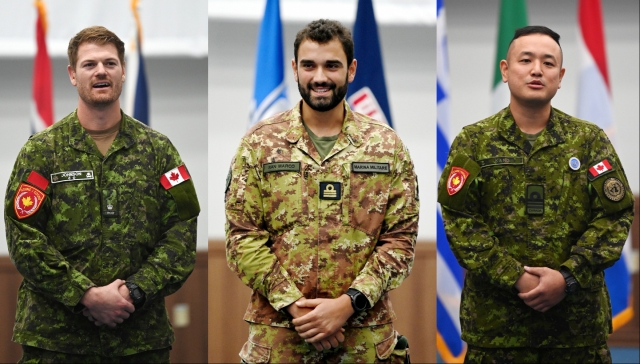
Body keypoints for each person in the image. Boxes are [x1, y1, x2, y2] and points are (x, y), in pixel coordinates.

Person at [225, 19, 418, 363]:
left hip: (363, 339)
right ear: (295, 69)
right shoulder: (259, 144)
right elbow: (242, 238)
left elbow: (401, 241)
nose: (320, 77)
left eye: (332, 65)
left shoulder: (386, 147)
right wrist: (298, 308)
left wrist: (348, 304)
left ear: (352, 69)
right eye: (309, 65)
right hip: (282, 339)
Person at [438, 25, 634, 363]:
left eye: (547, 63)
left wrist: (568, 277)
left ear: (560, 76)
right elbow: (460, 221)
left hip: (575, 333)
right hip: (497, 332)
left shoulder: (588, 140)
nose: (536, 70)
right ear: (505, 70)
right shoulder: (474, 142)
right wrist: (514, 277)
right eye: (526, 60)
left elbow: (615, 216)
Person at [4, 26, 199, 363]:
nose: (100, 72)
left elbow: (182, 232)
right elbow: (23, 236)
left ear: (123, 71)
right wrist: (85, 295)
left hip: (139, 338)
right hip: (56, 340)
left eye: (110, 63)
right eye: (89, 64)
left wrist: (133, 292)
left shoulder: (159, 150)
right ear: (72, 74)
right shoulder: (42, 151)